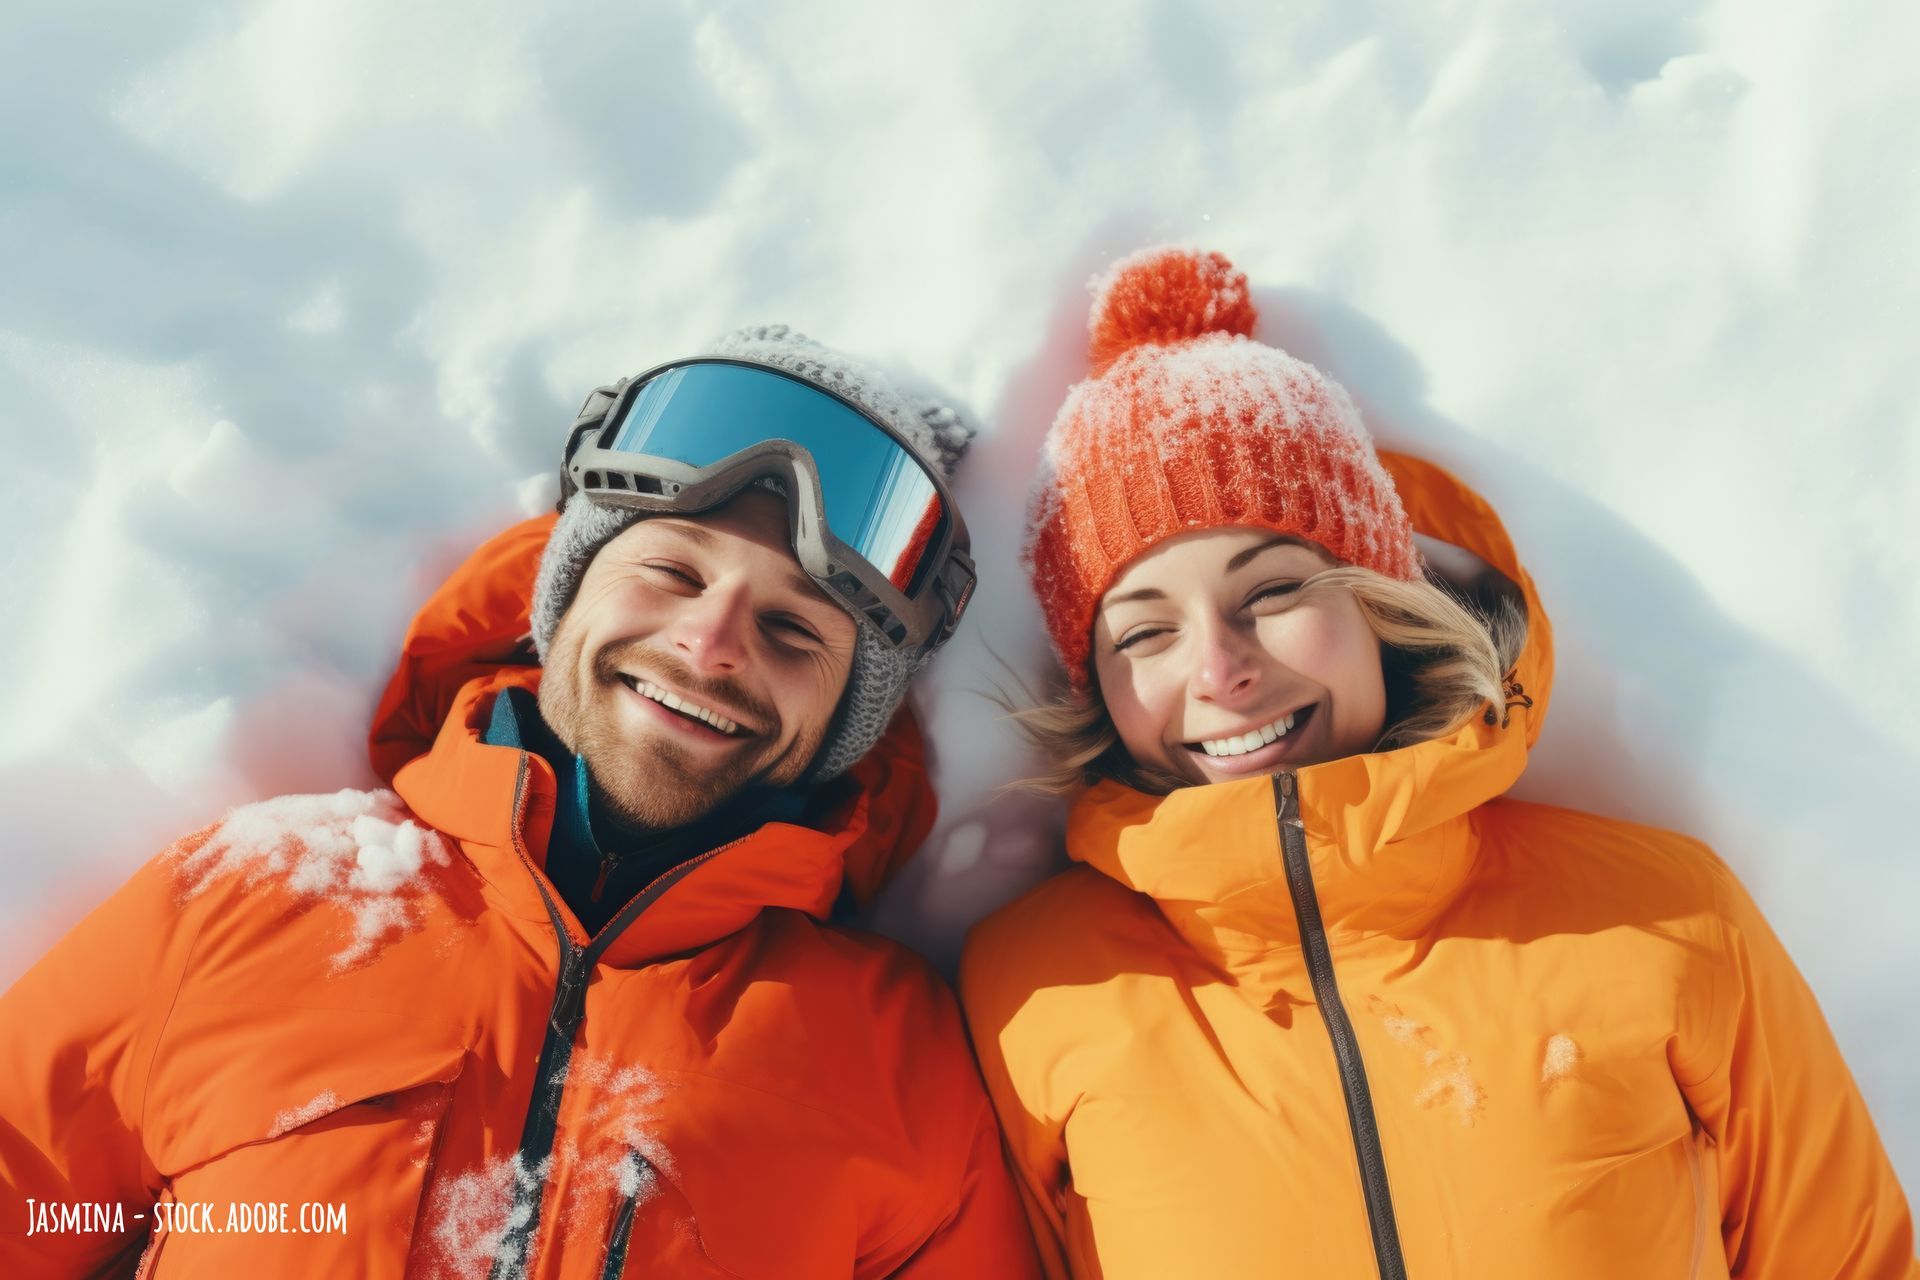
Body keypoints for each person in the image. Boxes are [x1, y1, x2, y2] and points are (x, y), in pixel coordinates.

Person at [0, 325, 1040, 1279]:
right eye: (671, 569)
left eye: (794, 630)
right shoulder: (244, 899)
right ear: (563, 594)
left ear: (847, 724)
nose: (712, 642)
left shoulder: (907, 1067)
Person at [959, 248, 1916, 1279]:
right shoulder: (1036, 987)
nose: (1219, 669)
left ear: (1381, 603)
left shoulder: (1666, 916)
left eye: (1272, 591)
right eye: (1143, 633)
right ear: (1095, 688)